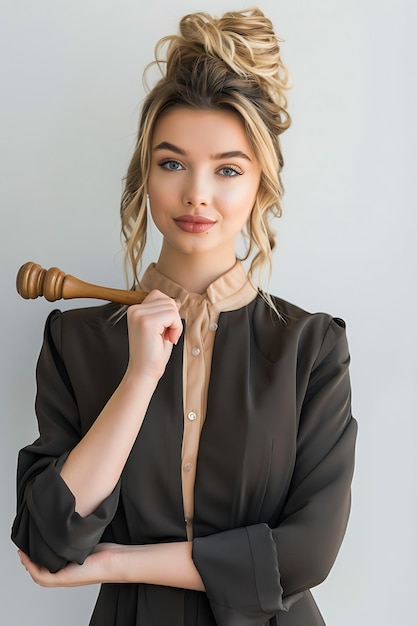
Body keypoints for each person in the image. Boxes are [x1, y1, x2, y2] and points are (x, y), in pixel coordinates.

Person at [11, 8, 357, 626]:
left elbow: (305, 555)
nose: (198, 192)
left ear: (261, 187)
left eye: (227, 169)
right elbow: (49, 539)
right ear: (145, 175)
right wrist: (140, 378)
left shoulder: (312, 349)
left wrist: (117, 564)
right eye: (172, 163)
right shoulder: (75, 341)